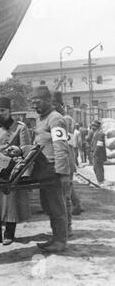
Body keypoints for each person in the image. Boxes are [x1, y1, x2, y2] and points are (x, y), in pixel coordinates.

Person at [0, 96, 31, 246]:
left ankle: (9, 233)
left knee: (10, 202)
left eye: (2, 110)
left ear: (9, 111)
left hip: (10, 170)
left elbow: (27, 150)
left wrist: (18, 150)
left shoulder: (20, 128)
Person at [31, 86, 70, 252]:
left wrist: (62, 174)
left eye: (37, 102)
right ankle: (55, 237)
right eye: (33, 103)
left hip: (54, 170)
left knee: (57, 207)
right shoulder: (41, 119)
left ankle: (60, 241)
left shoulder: (56, 119)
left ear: (48, 100)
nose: (35, 106)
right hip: (43, 171)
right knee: (48, 206)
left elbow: (61, 147)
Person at [51, 91, 82, 235]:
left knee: (65, 196)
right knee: (64, 193)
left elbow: (64, 142)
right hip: (61, 160)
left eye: (54, 105)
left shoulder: (65, 119)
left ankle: (67, 227)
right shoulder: (58, 118)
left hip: (66, 160)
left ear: (59, 104)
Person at [91, 120, 113, 186]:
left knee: (97, 167)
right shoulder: (96, 133)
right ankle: (101, 180)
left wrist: (95, 152)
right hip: (96, 153)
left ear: (96, 127)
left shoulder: (100, 134)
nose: (92, 127)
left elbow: (99, 145)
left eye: (93, 126)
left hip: (98, 154)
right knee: (98, 167)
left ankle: (100, 181)